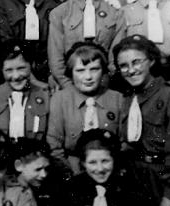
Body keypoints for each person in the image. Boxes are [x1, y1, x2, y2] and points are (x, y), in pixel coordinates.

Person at [115, 35, 170, 206]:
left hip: (161, 176)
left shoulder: (169, 95)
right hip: (137, 176)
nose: (131, 70)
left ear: (151, 60)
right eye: (124, 65)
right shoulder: (128, 98)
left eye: (136, 62)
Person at [47, 43, 126, 176]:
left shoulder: (117, 98)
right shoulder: (60, 99)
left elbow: (124, 143)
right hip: (72, 170)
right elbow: (54, 145)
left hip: (109, 169)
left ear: (103, 72)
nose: (88, 77)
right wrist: (70, 173)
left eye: (94, 69)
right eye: (80, 70)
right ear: (71, 73)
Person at [47, 0, 120, 90]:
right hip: (68, 90)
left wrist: (101, 88)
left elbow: (114, 62)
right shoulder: (60, 14)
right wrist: (71, 91)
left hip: (104, 90)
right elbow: (56, 62)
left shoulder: (115, 15)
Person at [0, 41, 50, 140]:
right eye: (9, 70)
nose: (16, 76)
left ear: (32, 65)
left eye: (21, 68)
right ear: (2, 70)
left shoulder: (45, 96)